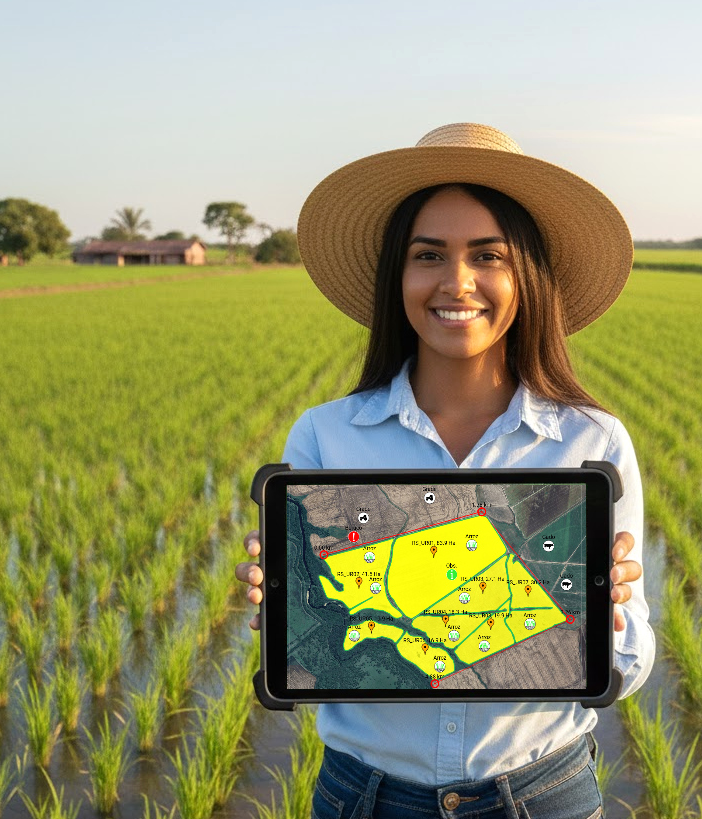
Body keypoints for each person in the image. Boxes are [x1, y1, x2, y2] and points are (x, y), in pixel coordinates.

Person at [235, 123, 654, 819]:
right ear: (397, 276)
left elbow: (627, 667)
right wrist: (295, 619)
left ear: (526, 276)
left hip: (542, 794)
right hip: (364, 795)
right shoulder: (325, 436)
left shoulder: (592, 443)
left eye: (487, 255)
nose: (457, 281)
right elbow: (324, 659)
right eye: (429, 254)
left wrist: (600, 618)